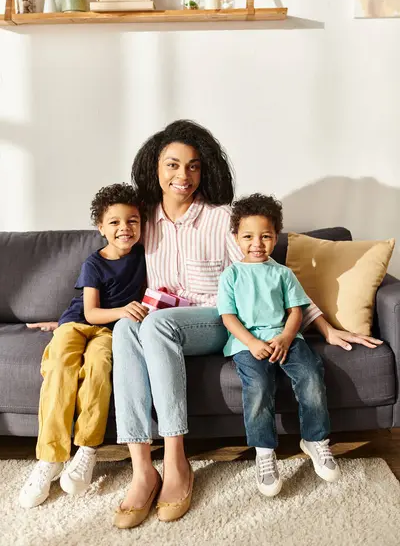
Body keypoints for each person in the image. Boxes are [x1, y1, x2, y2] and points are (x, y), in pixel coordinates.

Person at [110, 120, 381, 529]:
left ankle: (177, 460)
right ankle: (143, 468)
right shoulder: (143, 220)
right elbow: (104, 264)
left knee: (154, 327)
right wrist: (70, 315)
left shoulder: (223, 220)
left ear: (205, 171)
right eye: (172, 165)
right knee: (127, 328)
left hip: (215, 321)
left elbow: (264, 280)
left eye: (193, 166)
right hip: (163, 318)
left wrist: (324, 326)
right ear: (154, 168)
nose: (183, 176)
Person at [19, 183, 148, 509]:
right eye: (115, 222)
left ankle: (88, 449)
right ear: (101, 228)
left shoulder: (147, 256)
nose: (124, 228)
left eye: (132, 221)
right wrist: (123, 310)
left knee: (99, 370)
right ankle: (50, 458)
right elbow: (90, 311)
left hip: (107, 332)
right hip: (77, 324)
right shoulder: (94, 263)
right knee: (62, 368)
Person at [217, 193, 340, 497]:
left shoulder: (283, 273)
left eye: (265, 236)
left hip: (286, 338)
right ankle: (264, 452)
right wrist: (252, 343)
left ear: (275, 239)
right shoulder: (231, 275)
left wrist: (286, 337)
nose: (256, 243)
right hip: (247, 344)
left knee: (311, 376)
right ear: (236, 237)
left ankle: (315, 440)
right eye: (248, 236)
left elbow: (296, 310)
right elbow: (228, 317)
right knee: (258, 387)